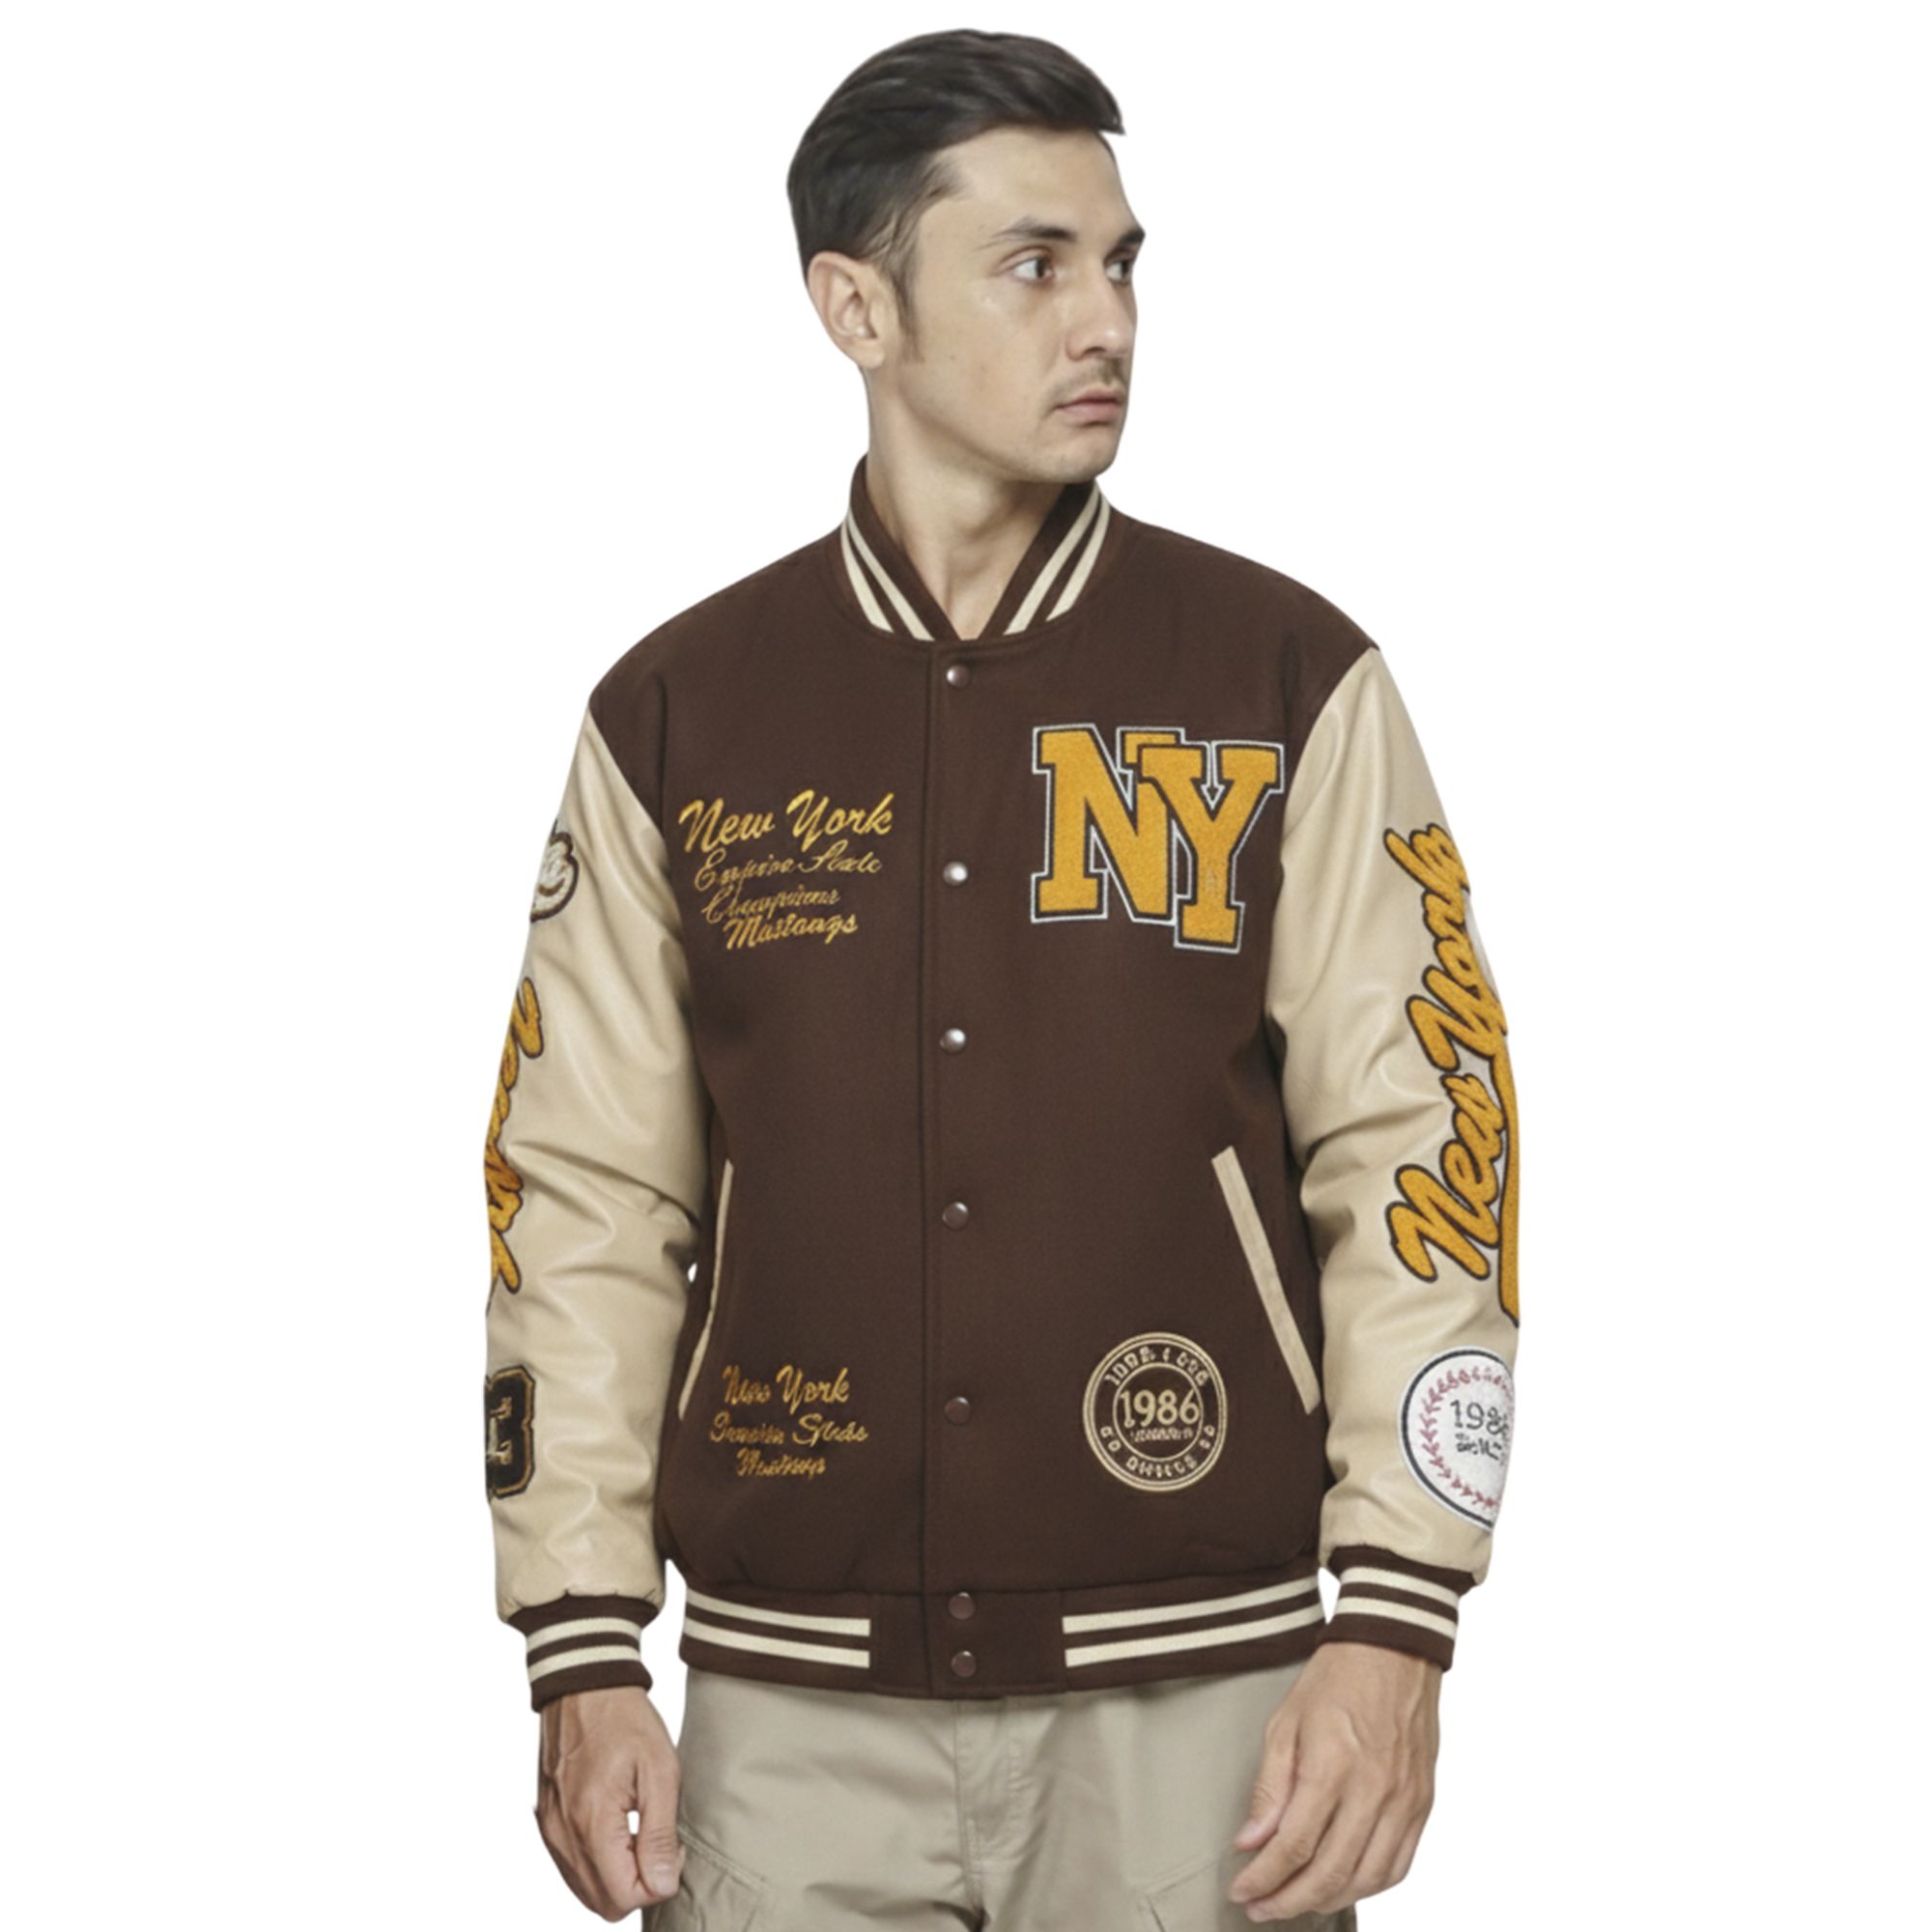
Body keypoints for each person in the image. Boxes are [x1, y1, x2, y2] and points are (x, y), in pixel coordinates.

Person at [482, 28, 1520, 1929]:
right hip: (789, 1715)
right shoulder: (679, 713)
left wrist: (1397, 1617)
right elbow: (583, 1196)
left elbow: (1425, 1150)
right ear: (854, 306)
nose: (1104, 319)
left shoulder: (1287, 678)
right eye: (1034, 265)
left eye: (1120, 264)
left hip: (1207, 1711)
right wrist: (582, 1640)